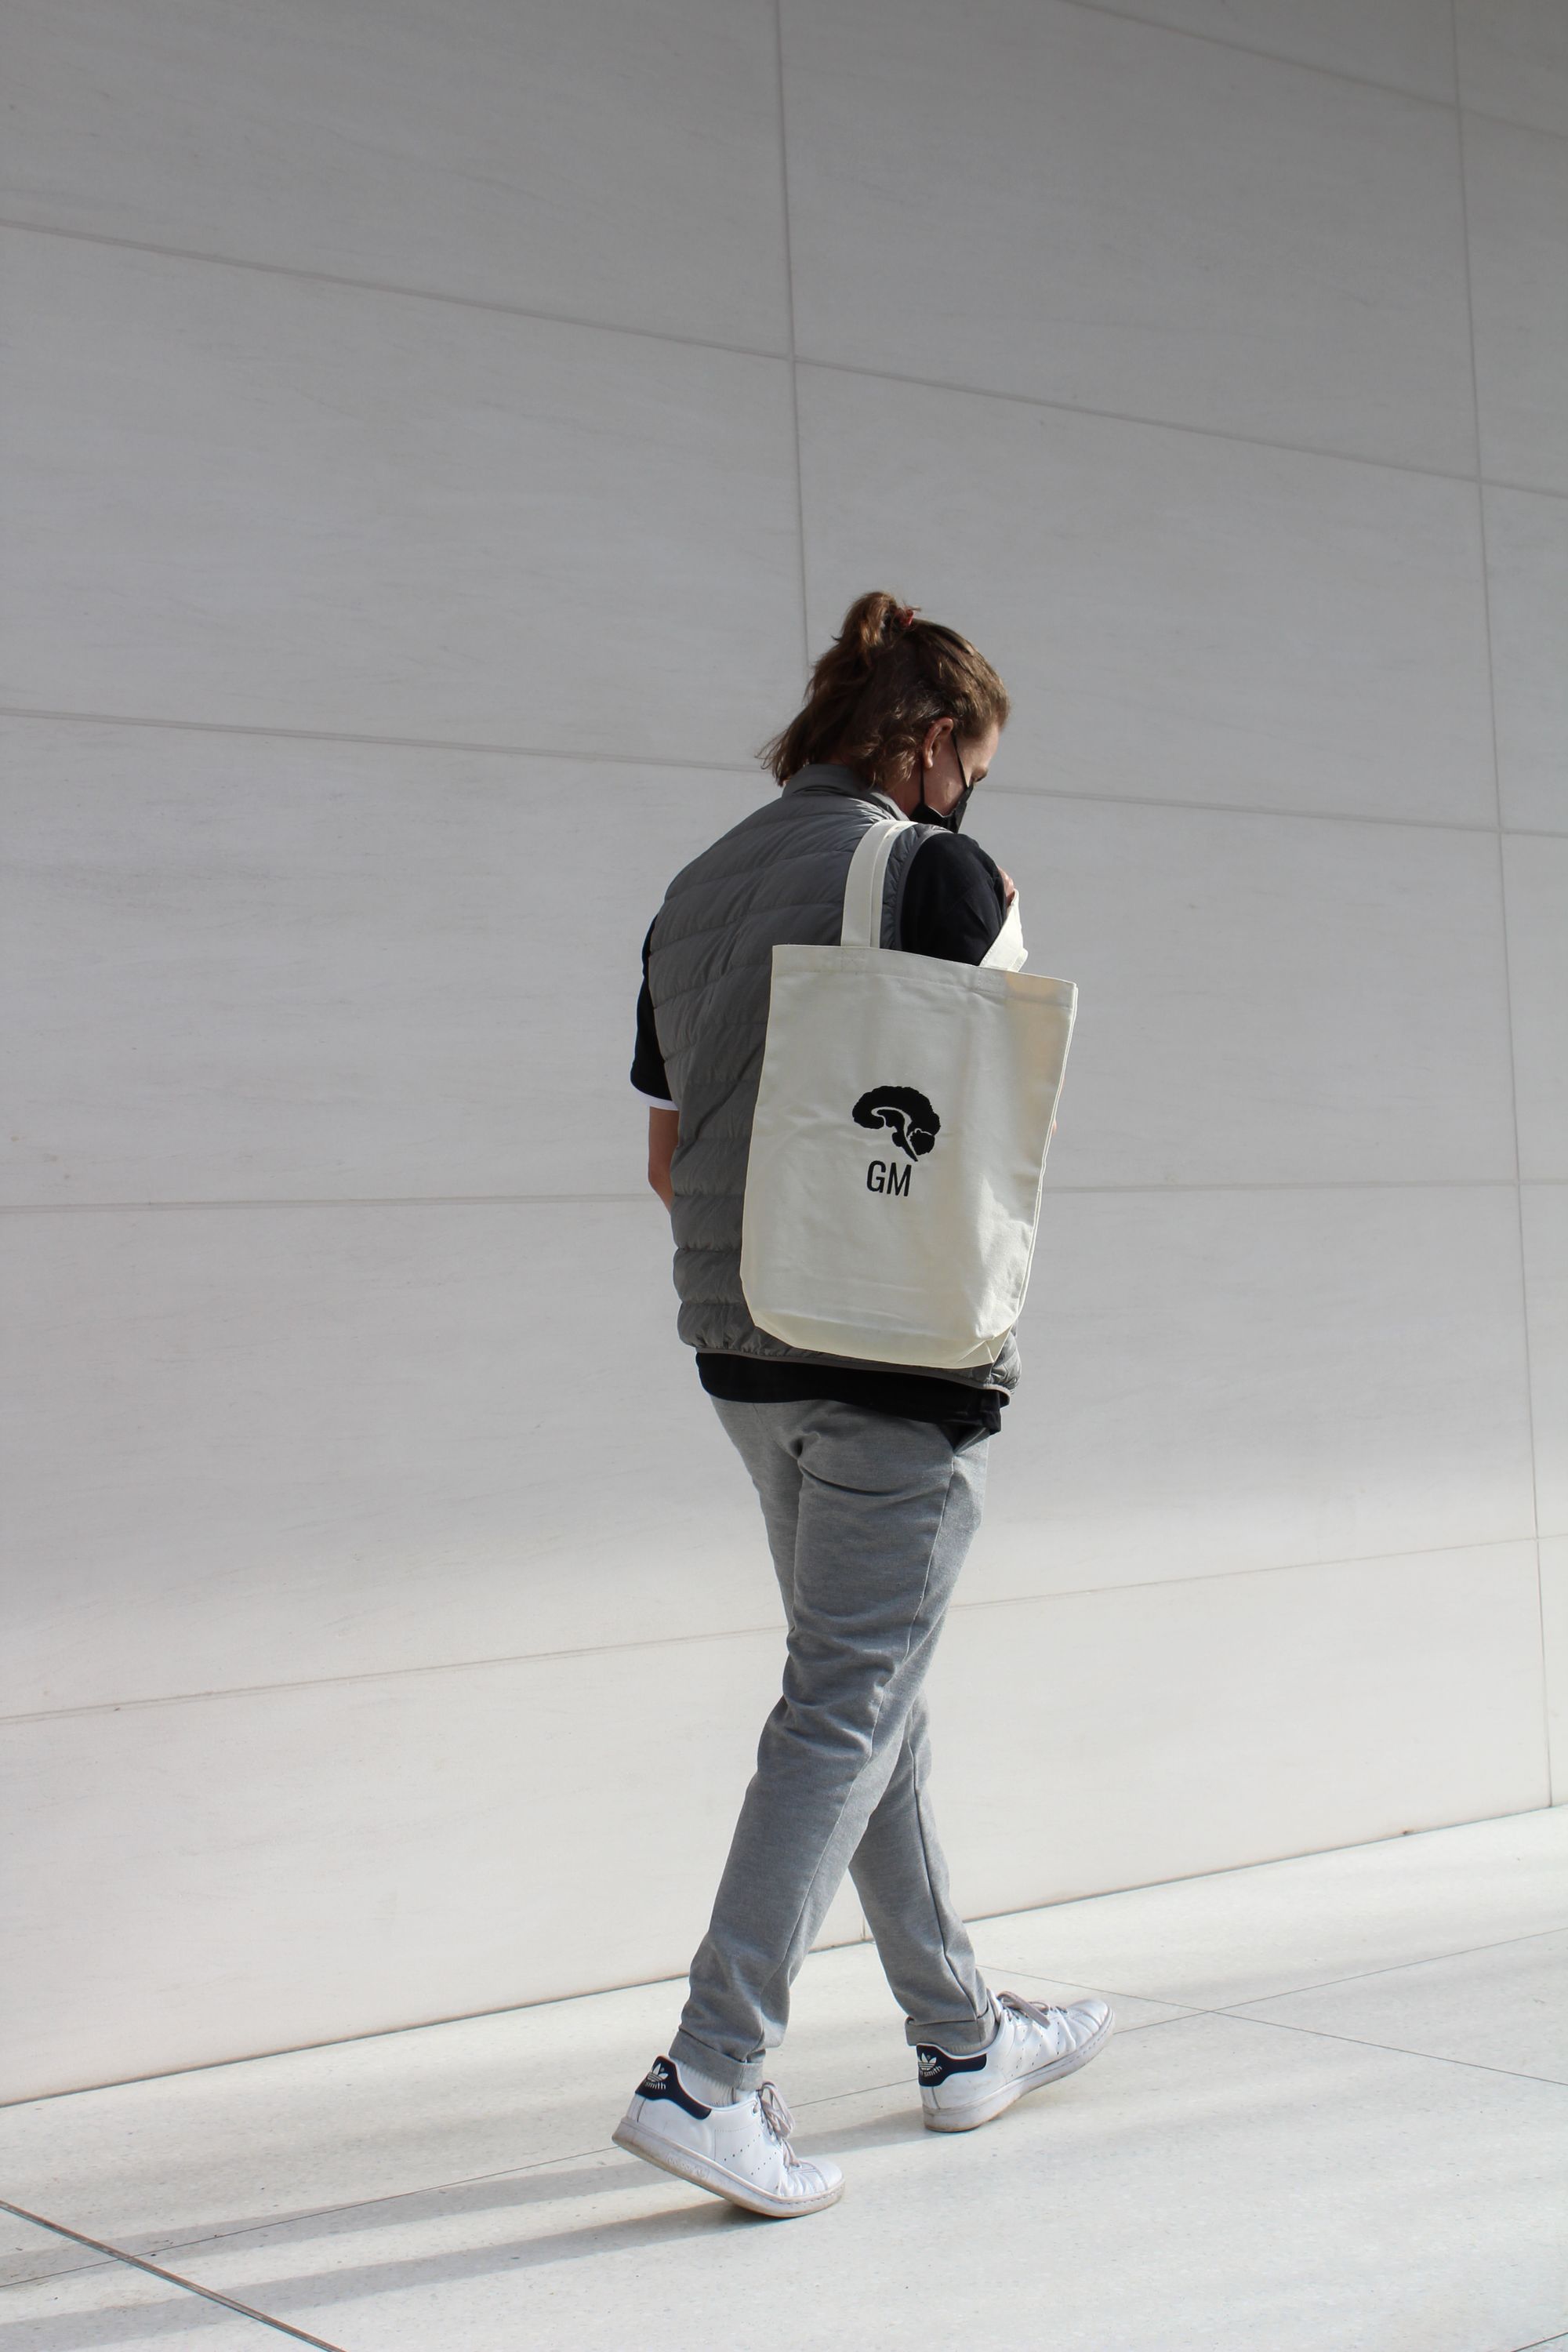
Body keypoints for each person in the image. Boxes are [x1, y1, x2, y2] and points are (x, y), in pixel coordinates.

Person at [611, 592, 1112, 2220]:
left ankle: (961, 2039)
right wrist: (999, 910)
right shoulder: (935, 869)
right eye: (973, 758)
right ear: (929, 740)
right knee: (843, 1704)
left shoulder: (693, 889)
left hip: (740, 1353)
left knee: (862, 1696)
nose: (973, 790)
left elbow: (669, 1155)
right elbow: (994, 1106)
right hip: (891, 1353)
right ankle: (709, 2072)